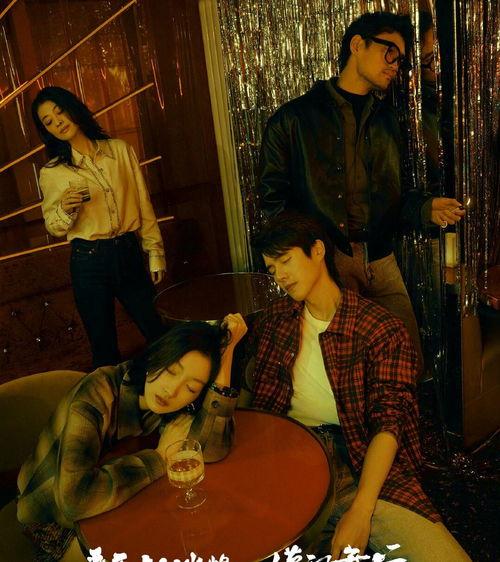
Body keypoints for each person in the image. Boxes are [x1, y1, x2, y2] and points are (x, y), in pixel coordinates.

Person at [249, 213, 471, 561]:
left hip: (361, 462)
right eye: (272, 268)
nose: (280, 276)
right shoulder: (276, 321)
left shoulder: (380, 328)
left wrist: (361, 510)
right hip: (291, 460)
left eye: (286, 261)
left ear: (317, 251)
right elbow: (259, 407)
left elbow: (390, 422)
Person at [257, 11, 465, 371]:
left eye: (401, 60)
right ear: (357, 45)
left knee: (407, 357)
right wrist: (309, 255)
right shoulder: (292, 119)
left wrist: (425, 208)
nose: (395, 66)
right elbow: (273, 203)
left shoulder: (386, 120)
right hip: (328, 260)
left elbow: (394, 195)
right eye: (390, 52)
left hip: (380, 256)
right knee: (346, 369)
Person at [17, 313, 247, 561]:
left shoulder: (177, 407)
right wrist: (159, 459)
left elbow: (211, 449)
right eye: (171, 371)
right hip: (51, 519)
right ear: (155, 357)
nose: (172, 390)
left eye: (191, 388)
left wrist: (226, 355)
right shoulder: (97, 393)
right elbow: (74, 500)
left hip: (115, 506)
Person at [32, 86, 167, 369]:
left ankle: (171, 390)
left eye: (60, 111)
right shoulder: (52, 172)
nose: (58, 122)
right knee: (104, 349)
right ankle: (111, 397)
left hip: (127, 251)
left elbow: (143, 203)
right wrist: (65, 209)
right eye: (48, 121)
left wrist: (154, 251)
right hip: (88, 261)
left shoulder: (120, 151)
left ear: (73, 108)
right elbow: (54, 227)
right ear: (46, 131)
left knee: (158, 331)